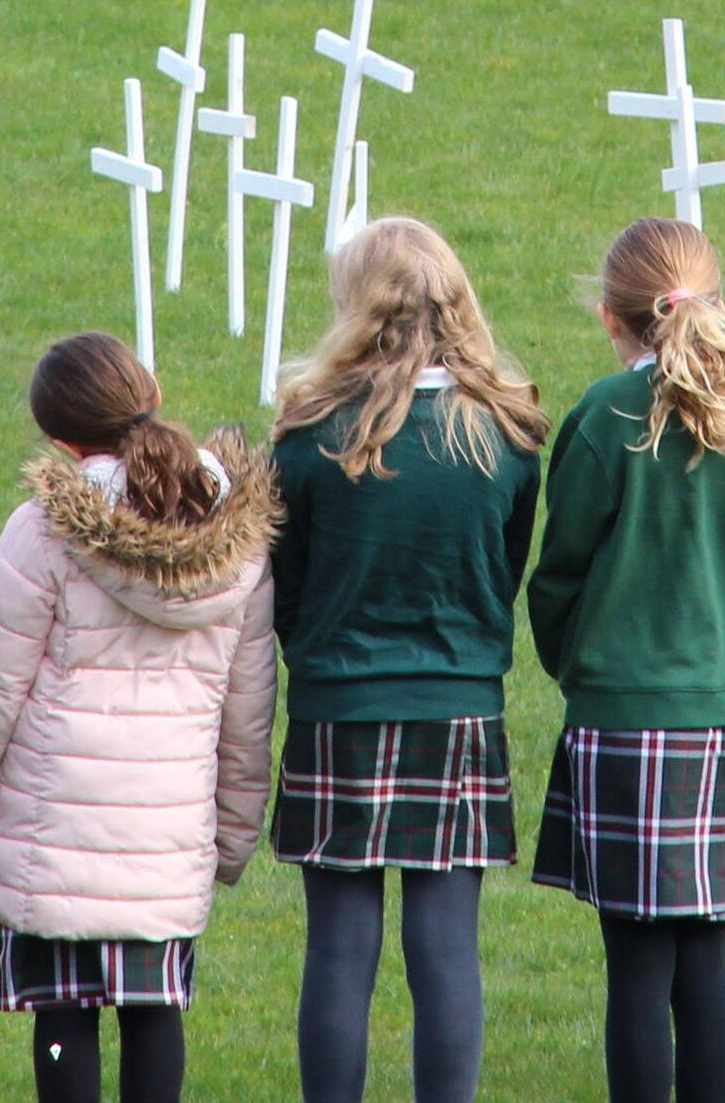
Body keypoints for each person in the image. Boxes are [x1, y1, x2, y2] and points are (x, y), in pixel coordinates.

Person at [0, 331, 279, 1103]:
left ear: (59, 437)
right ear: (149, 391)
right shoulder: (239, 541)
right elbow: (248, 707)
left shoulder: (44, 528)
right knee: (154, 1015)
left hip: (52, 838)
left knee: (62, 1016)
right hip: (167, 834)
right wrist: (232, 833)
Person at [269, 217, 548, 1103]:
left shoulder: (309, 434)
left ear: (358, 306)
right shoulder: (504, 436)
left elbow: (290, 585)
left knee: (338, 949)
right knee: (445, 946)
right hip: (458, 706)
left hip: (337, 706)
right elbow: (497, 573)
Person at [526, 217, 725, 1103]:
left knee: (636, 969)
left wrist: (577, 663)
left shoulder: (604, 414)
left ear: (611, 315)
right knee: (702, 958)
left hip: (624, 719)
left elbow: (557, 573)